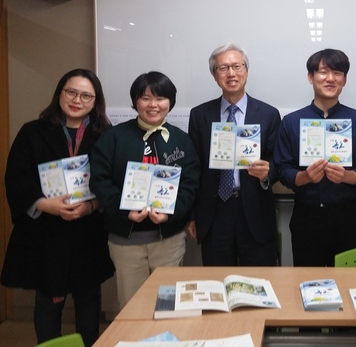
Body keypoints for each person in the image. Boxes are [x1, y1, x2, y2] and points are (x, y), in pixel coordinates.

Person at [0, 69, 114, 346]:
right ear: (60, 93)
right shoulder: (33, 131)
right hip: (47, 232)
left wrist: (93, 205)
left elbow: (114, 179)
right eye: (71, 92)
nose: (77, 100)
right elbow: (15, 178)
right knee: (49, 301)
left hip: (88, 231)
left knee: (89, 301)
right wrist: (44, 204)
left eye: (86, 95)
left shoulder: (106, 135)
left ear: (95, 101)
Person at [90, 71, 199, 309]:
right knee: (132, 307)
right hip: (125, 241)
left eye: (160, 98)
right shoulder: (114, 137)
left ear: (170, 102)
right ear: (135, 101)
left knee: (168, 305)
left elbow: (190, 185)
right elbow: (99, 181)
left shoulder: (181, 140)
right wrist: (124, 210)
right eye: (145, 98)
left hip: (168, 239)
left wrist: (171, 213)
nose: (153, 105)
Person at [274, 49, 356, 266]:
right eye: (323, 72)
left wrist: (346, 176)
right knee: (307, 283)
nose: (330, 78)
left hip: (347, 216)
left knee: (347, 282)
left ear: (344, 80)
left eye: (337, 73)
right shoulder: (292, 122)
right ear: (310, 77)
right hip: (306, 216)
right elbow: (282, 168)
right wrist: (305, 177)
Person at [187, 44, 281, 266]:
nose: (231, 73)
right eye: (223, 68)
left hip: (255, 211)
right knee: (216, 283)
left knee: (259, 283)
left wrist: (267, 173)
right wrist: (191, 215)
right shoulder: (200, 115)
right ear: (214, 75)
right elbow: (193, 168)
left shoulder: (268, 114)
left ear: (246, 71)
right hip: (213, 212)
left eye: (237, 66)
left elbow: (279, 161)